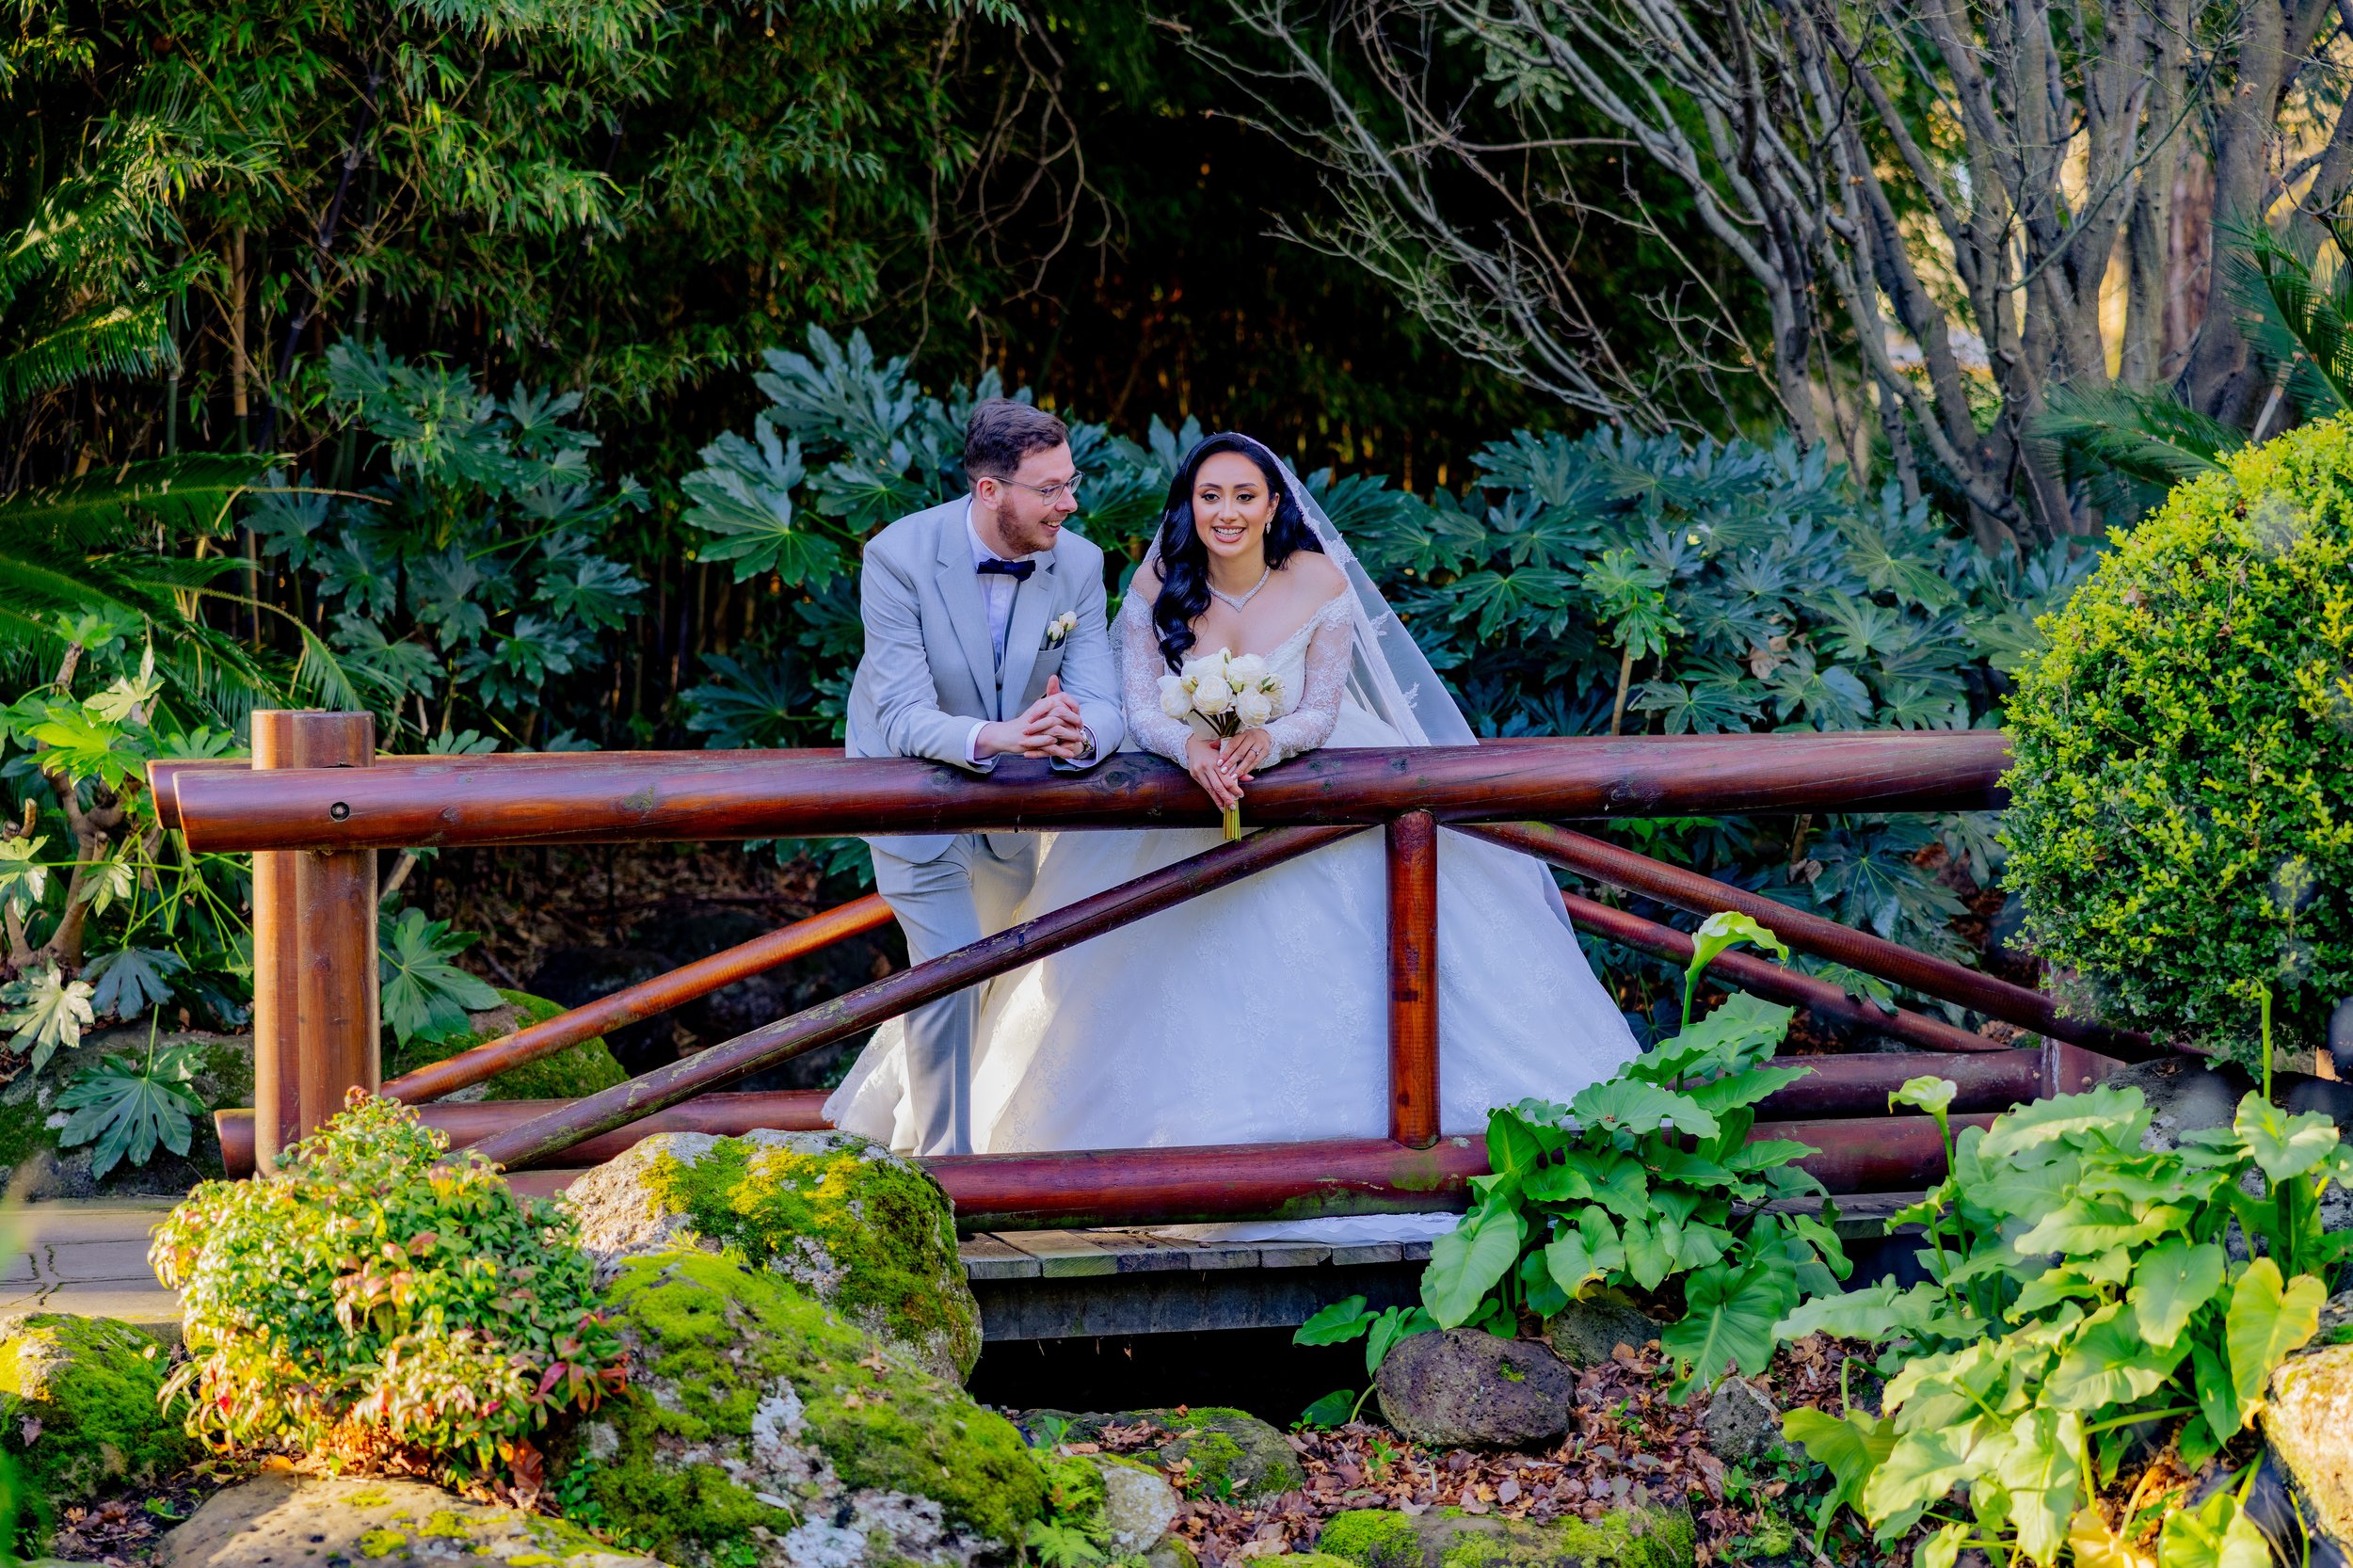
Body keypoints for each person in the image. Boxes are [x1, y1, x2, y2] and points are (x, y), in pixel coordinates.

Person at [830, 432, 1636, 1241]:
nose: (1226, 512)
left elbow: (1320, 709)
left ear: (1274, 504)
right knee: (1026, 968)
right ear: (1188, 504)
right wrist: (1189, 747)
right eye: (1210, 495)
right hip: (1170, 818)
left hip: (1318, 813)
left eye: (1245, 496)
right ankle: (970, 1180)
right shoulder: (1151, 580)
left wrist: (1267, 741)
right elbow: (1138, 705)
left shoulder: (1317, 579)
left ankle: (1409, 1154)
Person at [841, 397, 1126, 1155]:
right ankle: (948, 1180)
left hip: (1014, 806)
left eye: (1070, 482)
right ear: (989, 490)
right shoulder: (898, 557)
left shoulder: (1081, 562)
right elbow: (900, 712)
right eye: (1050, 488)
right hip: (910, 788)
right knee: (951, 971)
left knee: (996, 971)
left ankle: (874, 1132)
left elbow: (1105, 699)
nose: (1071, 502)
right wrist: (999, 735)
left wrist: (1079, 733)